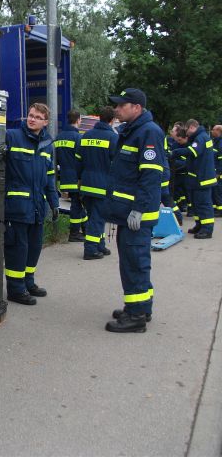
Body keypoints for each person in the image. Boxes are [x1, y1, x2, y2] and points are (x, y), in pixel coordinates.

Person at [103, 88, 165, 333]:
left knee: (134, 264)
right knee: (135, 262)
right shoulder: (134, 131)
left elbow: (151, 176)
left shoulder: (148, 132)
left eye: (121, 105)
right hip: (128, 213)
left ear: (136, 108)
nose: (117, 109)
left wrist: (138, 209)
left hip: (136, 216)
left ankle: (136, 316)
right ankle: (141, 306)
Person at [4, 103, 59, 305]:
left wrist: (54, 204)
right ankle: (15, 289)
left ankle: (28, 282)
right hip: (16, 206)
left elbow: (50, 177)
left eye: (37, 117)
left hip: (37, 206)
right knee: (18, 249)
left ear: (45, 122)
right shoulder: (11, 136)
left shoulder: (47, 145)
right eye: (30, 115)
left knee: (34, 248)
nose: (32, 119)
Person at [76, 106, 118, 260]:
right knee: (98, 218)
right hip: (102, 184)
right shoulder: (113, 138)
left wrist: (79, 180)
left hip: (86, 182)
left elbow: (78, 160)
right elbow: (117, 164)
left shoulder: (86, 135)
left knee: (93, 214)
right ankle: (90, 249)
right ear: (112, 120)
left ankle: (100, 245)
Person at [172, 119, 216, 238]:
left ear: (191, 127)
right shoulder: (200, 137)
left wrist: (175, 152)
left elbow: (193, 152)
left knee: (203, 204)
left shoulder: (200, 138)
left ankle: (207, 229)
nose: (186, 133)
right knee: (196, 204)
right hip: (198, 177)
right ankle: (199, 225)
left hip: (203, 178)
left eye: (187, 130)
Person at [54, 110, 87, 242]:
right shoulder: (78, 137)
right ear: (78, 120)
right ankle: (74, 233)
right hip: (76, 177)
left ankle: (86, 229)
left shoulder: (59, 137)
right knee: (77, 205)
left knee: (78, 203)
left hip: (64, 176)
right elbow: (82, 159)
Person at [211, 125, 222, 217]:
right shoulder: (216, 142)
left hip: (219, 174)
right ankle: (216, 209)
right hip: (215, 173)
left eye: (213, 130)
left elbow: (221, 161)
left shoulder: (220, 143)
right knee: (215, 192)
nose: (211, 131)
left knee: (218, 193)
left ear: (218, 131)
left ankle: (220, 210)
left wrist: (218, 173)